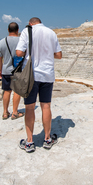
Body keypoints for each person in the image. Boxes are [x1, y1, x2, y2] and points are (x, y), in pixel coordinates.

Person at [16, 17, 62, 153]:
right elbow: (59, 55)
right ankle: (48, 139)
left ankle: (29, 142)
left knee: (29, 108)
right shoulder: (51, 32)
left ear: (30, 23)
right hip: (47, 74)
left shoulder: (27, 31)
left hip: (31, 75)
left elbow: (19, 52)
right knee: (46, 106)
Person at [0, 22, 24, 120]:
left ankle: (5, 112)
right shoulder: (22, 41)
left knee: (6, 91)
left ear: (8, 30)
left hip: (6, 70)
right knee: (17, 91)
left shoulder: (2, 41)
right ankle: (15, 112)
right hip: (18, 71)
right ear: (18, 30)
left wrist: (0, 69)